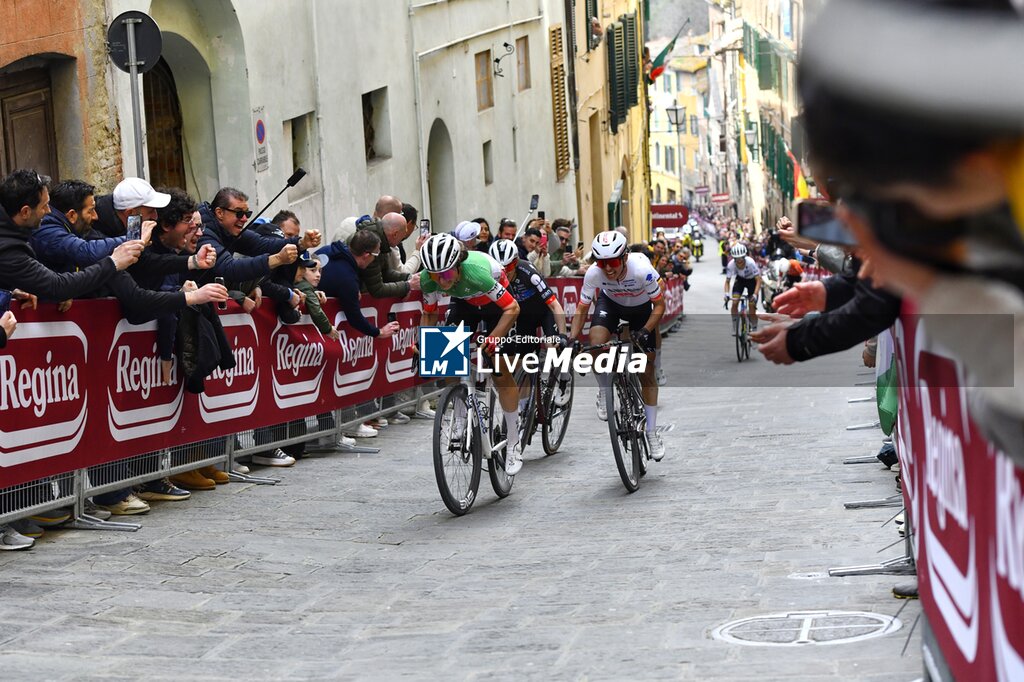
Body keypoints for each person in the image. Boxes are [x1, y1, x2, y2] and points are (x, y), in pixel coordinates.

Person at [417, 233, 524, 475]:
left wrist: (494, 338)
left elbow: (512, 308)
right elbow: (430, 315)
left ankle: (514, 441)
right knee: (445, 357)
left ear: (457, 264)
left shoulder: (475, 272)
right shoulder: (429, 279)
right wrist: (426, 342)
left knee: (498, 369)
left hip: (496, 306)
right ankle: (460, 414)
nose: (441, 281)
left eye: (445, 274)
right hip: (465, 303)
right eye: (435, 275)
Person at [568, 231, 666, 461]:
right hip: (611, 304)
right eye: (602, 263)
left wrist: (645, 331)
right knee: (596, 344)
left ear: (624, 257)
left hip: (642, 310)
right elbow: (582, 309)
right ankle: (604, 388)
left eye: (612, 261)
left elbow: (660, 305)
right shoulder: (594, 273)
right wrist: (572, 338)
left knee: (647, 372)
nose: (607, 268)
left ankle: (651, 431)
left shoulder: (642, 270)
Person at [317, 230, 404, 439]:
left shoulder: (328, 251)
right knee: (333, 376)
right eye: (375, 256)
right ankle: (336, 429)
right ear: (367, 255)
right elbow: (354, 317)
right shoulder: (346, 276)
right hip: (322, 331)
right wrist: (378, 332)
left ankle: (331, 429)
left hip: (316, 326)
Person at [196, 187, 320, 325]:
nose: (244, 219)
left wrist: (301, 243)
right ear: (219, 212)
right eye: (239, 213)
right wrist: (278, 259)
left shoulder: (229, 229)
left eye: (247, 214)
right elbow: (230, 268)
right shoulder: (204, 232)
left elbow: (263, 245)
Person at [348, 211, 419, 299]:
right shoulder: (371, 243)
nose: (401, 240)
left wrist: (408, 277)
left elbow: (384, 272)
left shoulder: (381, 237)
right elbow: (377, 289)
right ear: (395, 234)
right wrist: (408, 285)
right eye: (403, 235)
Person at [93, 177, 170, 238]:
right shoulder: (95, 234)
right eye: (150, 211)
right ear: (130, 213)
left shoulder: (132, 222)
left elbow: (144, 255)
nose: (155, 217)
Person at [723, 243, 760, 335]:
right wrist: (726, 294)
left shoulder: (750, 263)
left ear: (744, 257)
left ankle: (754, 327)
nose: (739, 261)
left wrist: (755, 294)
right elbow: (727, 281)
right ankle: (735, 325)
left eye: (741, 259)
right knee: (735, 302)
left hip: (752, 281)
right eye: (737, 259)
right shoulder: (731, 264)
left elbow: (759, 280)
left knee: (751, 306)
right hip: (740, 280)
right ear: (733, 259)